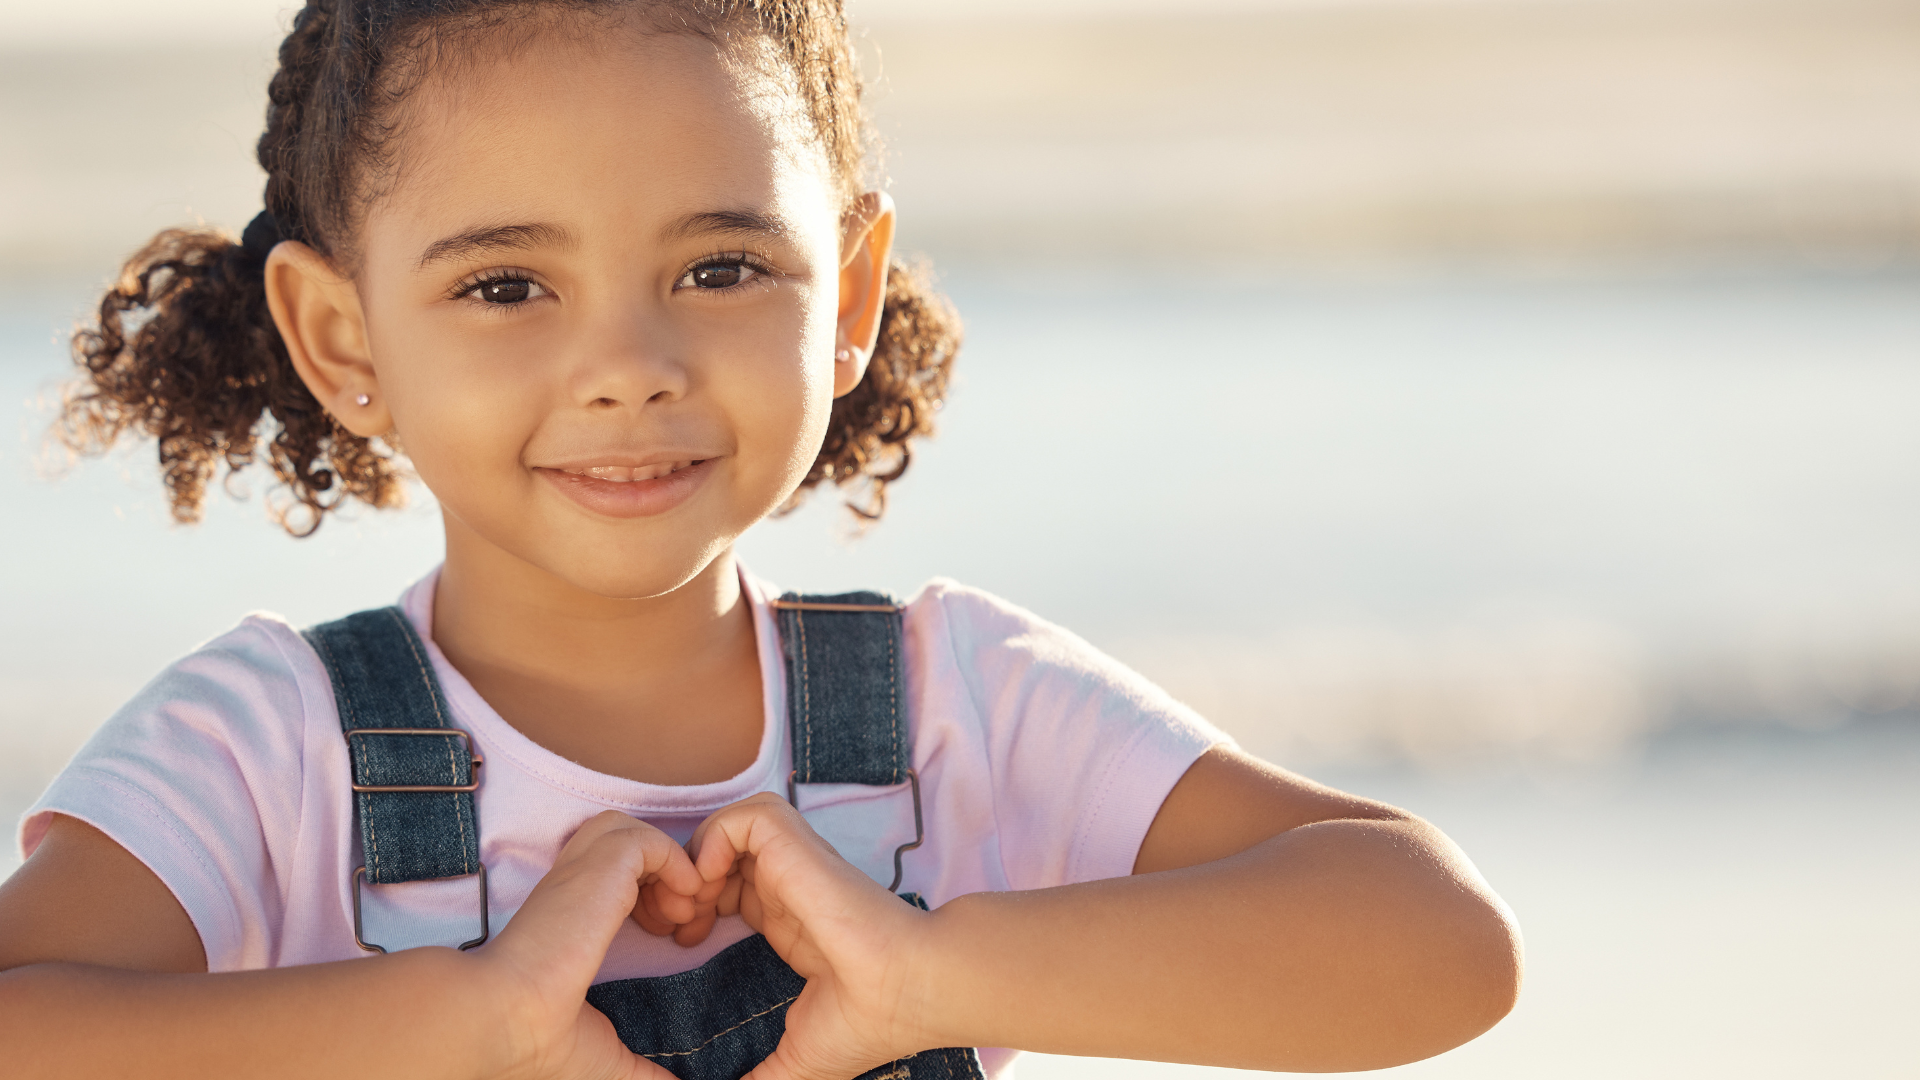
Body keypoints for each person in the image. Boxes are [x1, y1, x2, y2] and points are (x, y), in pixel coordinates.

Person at [0, 1, 1522, 1077]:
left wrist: (930, 976)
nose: (630, 363)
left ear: (848, 295)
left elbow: (1436, 944)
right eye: (507, 286)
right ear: (344, 339)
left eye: (721, 265)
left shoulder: (949, 704)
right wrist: (458, 1027)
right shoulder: (268, 751)